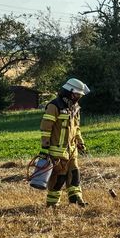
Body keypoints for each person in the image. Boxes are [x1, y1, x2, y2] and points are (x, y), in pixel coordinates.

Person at [39, 78, 90, 208]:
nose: (78, 97)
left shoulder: (75, 108)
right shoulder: (54, 106)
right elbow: (46, 128)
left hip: (72, 150)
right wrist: (45, 147)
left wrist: (80, 142)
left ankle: (77, 199)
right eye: (77, 94)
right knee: (59, 178)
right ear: (69, 92)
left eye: (79, 95)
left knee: (74, 174)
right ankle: (52, 204)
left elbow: (76, 128)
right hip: (57, 150)